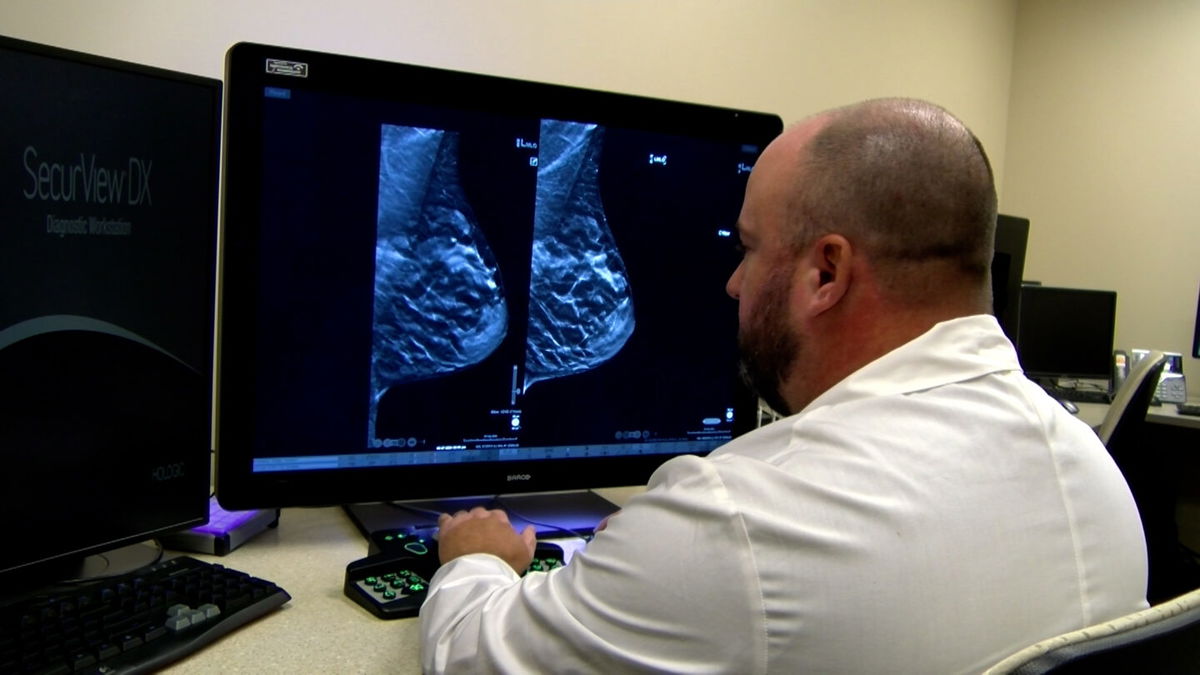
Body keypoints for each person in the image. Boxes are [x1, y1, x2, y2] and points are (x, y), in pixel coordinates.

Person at [419, 98, 1149, 674]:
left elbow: (474, 656)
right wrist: (655, 568)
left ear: (825, 273)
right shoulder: (1094, 473)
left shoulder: (737, 523)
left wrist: (477, 558)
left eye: (749, 247)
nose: (735, 281)